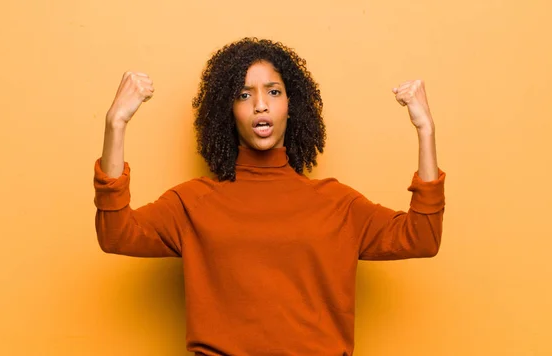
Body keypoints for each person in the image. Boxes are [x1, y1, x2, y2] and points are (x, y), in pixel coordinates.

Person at [93, 37, 445, 356]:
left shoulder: (337, 204)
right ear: (227, 111)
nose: (260, 105)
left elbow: (422, 238)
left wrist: (425, 130)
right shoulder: (194, 203)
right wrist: (116, 124)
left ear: (292, 106)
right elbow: (116, 233)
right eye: (244, 95)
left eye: (273, 92)